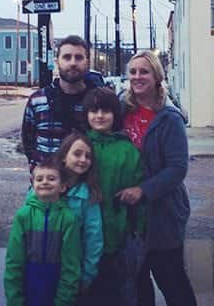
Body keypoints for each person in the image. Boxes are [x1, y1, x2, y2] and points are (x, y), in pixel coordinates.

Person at [117, 51, 197, 306]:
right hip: (128, 215)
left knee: (172, 280)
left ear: (156, 76)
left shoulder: (169, 118)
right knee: (137, 283)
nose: (137, 77)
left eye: (144, 71)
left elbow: (177, 168)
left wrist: (143, 190)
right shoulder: (120, 110)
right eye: (133, 72)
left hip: (163, 214)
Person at [84, 87, 145, 306]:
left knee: (116, 292)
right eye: (93, 111)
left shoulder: (127, 150)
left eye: (105, 111)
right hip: (83, 236)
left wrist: (138, 228)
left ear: (115, 115)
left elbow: (137, 188)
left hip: (117, 234)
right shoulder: (80, 146)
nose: (99, 116)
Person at [4, 158, 81, 306]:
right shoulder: (23, 216)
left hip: (55, 288)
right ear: (33, 185)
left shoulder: (68, 219)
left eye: (51, 178)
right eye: (39, 179)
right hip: (28, 287)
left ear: (63, 186)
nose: (45, 182)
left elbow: (71, 265)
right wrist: (14, 299)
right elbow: (13, 261)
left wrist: (64, 301)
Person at [21, 35, 94, 172]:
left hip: (85, 187)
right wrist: (37, 169)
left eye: (79, 57)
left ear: (87, 62)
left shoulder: (97, 103)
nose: (72, 63)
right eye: (67, 57)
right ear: (57, 61)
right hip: (47, 186)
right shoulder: (37, 101)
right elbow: (28, 142)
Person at [55, 132, 104, 302]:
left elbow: (94, 238)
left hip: (72, 273)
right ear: (63, 156)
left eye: (88, 156)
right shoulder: (45, 186)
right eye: (77, 154)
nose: (83, 159)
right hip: (42, 267)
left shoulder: (88, 195)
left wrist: (88, 275)